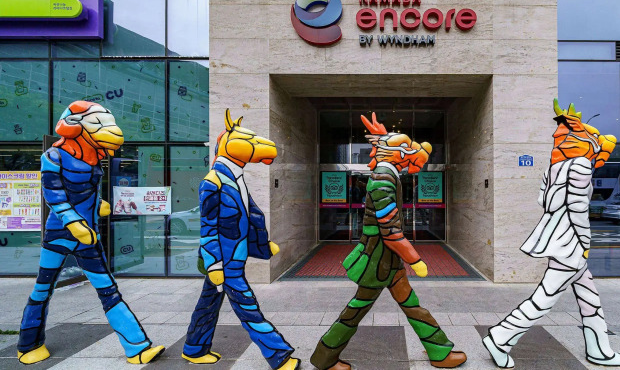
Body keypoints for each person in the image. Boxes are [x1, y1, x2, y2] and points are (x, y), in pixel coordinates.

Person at [311, 113, 466, 370]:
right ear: (394, 153)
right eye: (406, 146)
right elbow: (390, 230)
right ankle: (323, 358)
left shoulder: (389, 175)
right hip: (377, 260)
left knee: (411, 305)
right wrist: (415, 259)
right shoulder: (383, 179)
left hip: (387, 261)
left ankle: (439, 351)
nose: (414, 151)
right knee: (356, 310)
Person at [483, 100, 620, 368]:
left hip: (557, 236)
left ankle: (599, 350)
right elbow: (578, 209)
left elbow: (542, 201)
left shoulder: (553, 167)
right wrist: (585, 243)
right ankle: (500, 338)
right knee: (545, 298)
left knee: (589, 298)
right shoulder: (581, 165)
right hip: (570, 242)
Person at [17, 101, 164, 365]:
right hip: (59, 235)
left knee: (109, 289)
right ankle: (28, 345)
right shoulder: (54, 156)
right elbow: (54, 195)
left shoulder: (93, 157)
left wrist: (97, 206)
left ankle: (137, 347)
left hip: (88, 236)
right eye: (96, 123)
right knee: (43, 288)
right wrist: (74, 222)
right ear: (74, 126)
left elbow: (86, 193)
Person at [181, 109, 299, 369]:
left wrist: (262, 244)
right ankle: (279, 356)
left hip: (236, 254)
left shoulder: (235, 178)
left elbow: (250, 213)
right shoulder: (212, 182)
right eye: (249, 139)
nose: (258, 143)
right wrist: (214, 264)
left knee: (208, 303)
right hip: (225, 261)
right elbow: (208, 227)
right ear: (228, 143)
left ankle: (194, 348)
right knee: (247, 306)